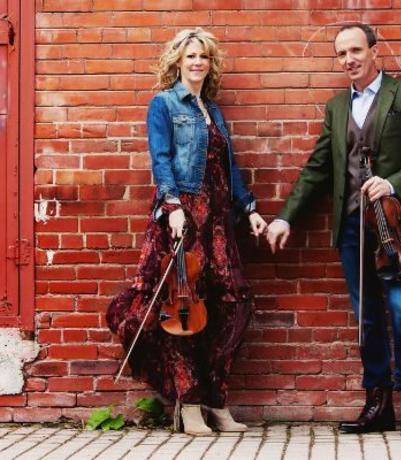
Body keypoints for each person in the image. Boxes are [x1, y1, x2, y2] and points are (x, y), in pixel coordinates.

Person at [267, 23, 401, 438]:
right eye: (341, 54)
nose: (349, 59)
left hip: (394, 225)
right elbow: (317, 168)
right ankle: (378, 404)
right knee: (366, 317)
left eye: (356, 50)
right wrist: (285, 217)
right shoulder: (336, 107)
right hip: (352, 226)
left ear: (374, 51)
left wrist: (393, 183)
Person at [106, 28, 267, 435]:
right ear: (177, 61)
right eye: (190, 56)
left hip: (218, 221)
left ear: (211, 64)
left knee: (231, 307)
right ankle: (190, 402)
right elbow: (160, 159)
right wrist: (173, 207)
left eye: (204, 57)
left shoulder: (213, 110)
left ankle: (216, 399)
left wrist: (248, 208)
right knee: (181, 310)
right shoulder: (163, 104)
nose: (197, 62)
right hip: (183, 216)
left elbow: (228, 168)